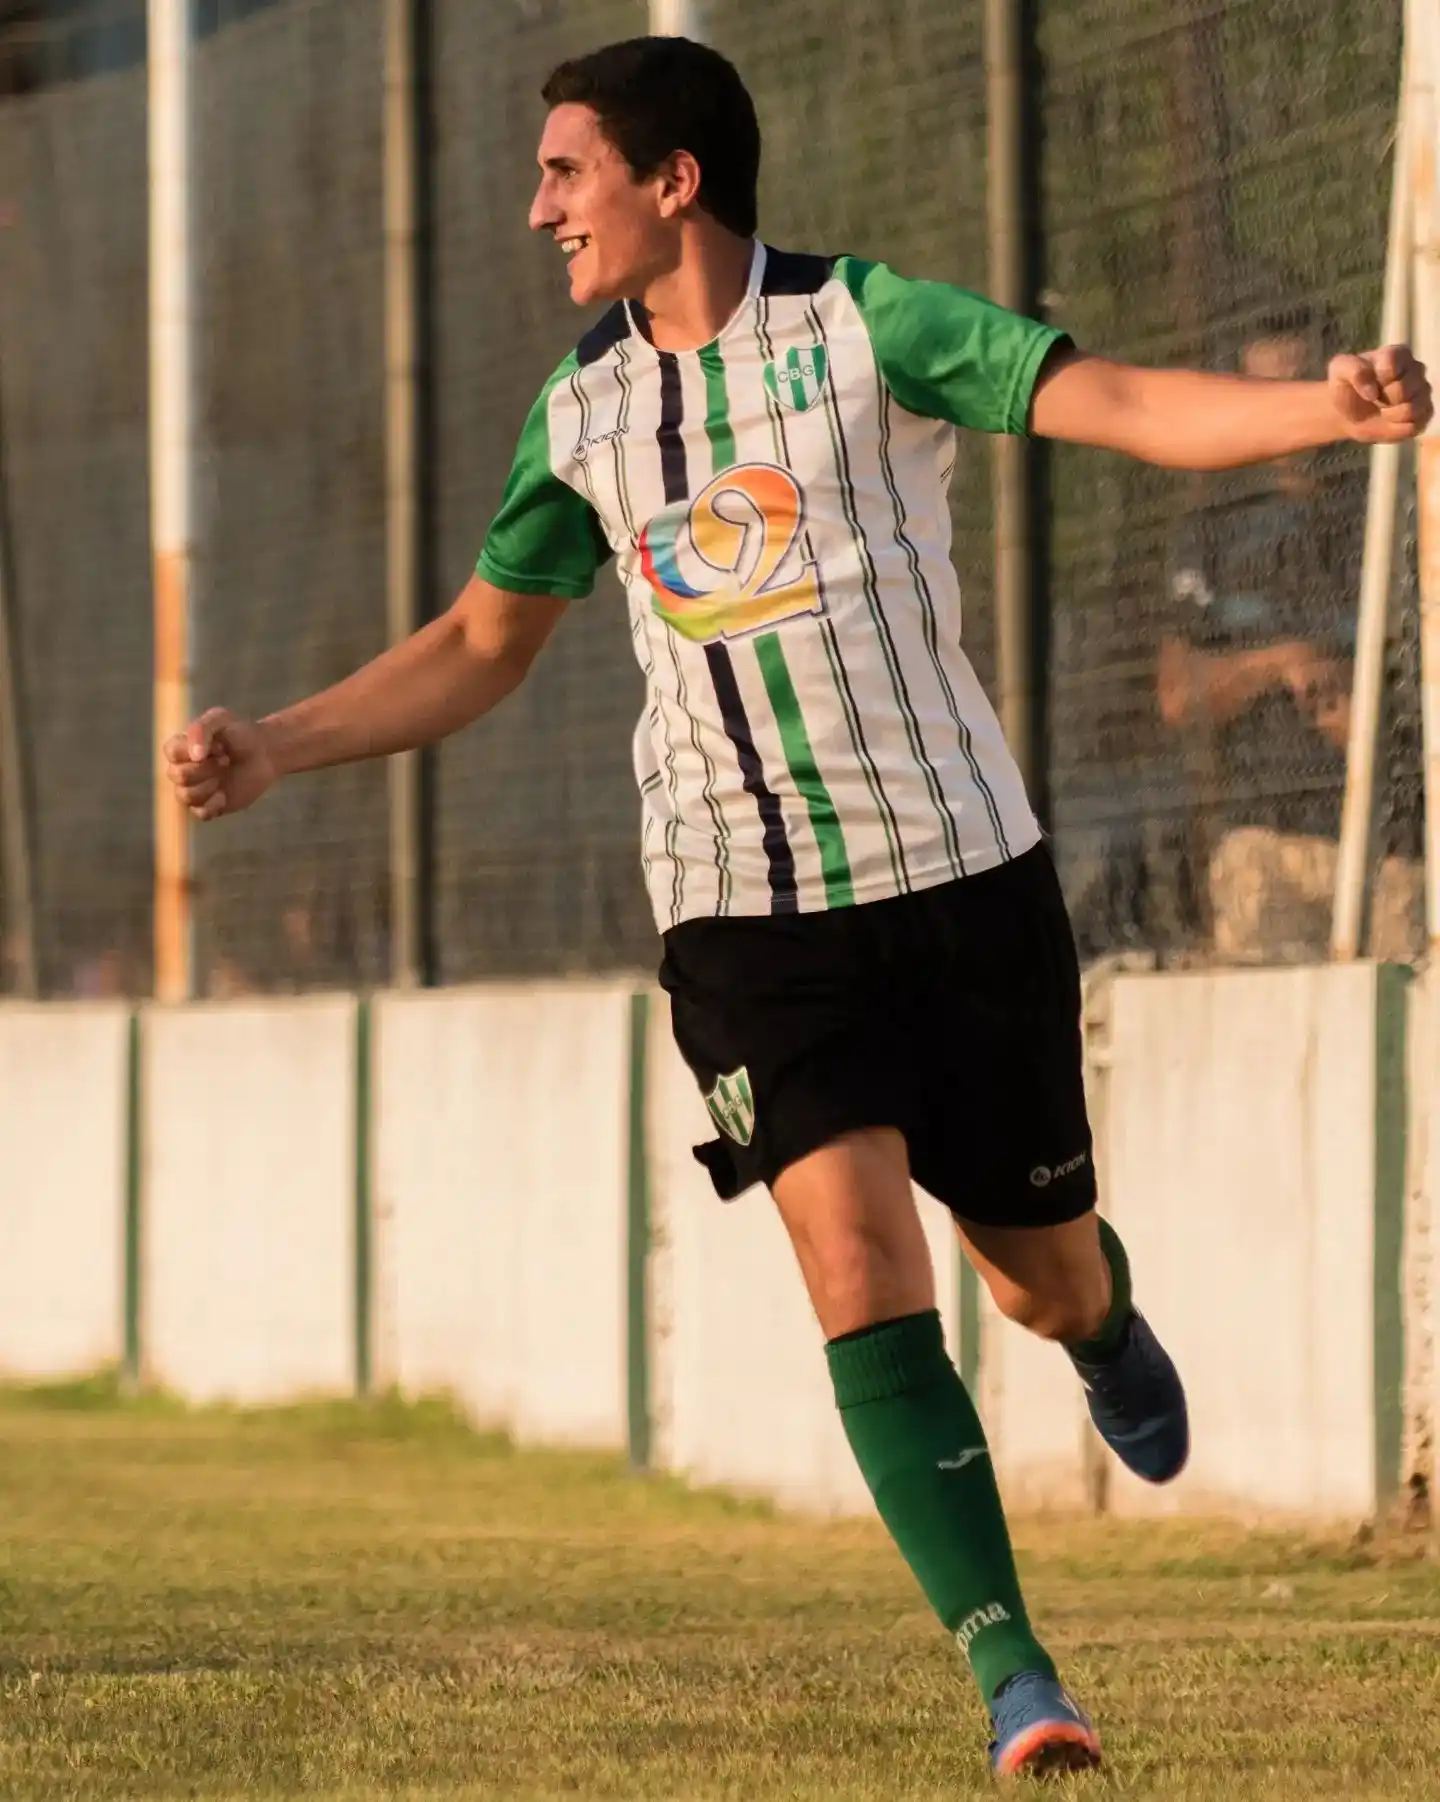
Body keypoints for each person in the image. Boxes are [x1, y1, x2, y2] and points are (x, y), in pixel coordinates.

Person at [163, 37, 1432, 1777]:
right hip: (745, 918)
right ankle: (1017, 1673)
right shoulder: (583, 413)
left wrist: (1327, 410)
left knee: (1037, 1279)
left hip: (963, 882)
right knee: (857, 1261)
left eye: (566, 172)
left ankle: (1100, 1318)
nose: (539, 209)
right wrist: (276, 744)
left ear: (672, 180)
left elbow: (1121, 403)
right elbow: (478, 641)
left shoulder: (866, 327)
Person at [1158, 322, 1425, 963]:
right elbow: (1176, 697)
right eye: (1267, 392)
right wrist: (1277, 664)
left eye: (1305, 387)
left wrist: (1374, 726)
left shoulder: (1395, 508)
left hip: (1394, 854)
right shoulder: (1213, 528)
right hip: (1263, 850)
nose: (1289, 411)